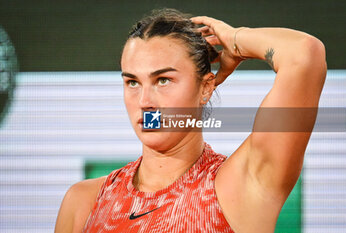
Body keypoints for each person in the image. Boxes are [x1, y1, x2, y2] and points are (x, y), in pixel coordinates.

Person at [55, 8, 326, 233]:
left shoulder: (240, 186)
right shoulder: (84, 202)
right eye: (132, 82)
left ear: (206, 88)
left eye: (163, 80)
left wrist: (234, 40)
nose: (145, 101)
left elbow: (304, 55)